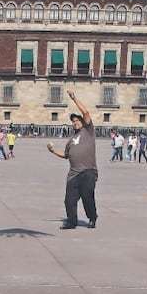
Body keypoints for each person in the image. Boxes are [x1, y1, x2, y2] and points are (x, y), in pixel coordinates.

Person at [46, 91, 98, 230]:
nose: (75, 123)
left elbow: (86, 112)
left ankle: (92, 217)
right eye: (73, 122)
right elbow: (66, 154)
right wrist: (53, 151)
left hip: (88, 171)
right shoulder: (70, 140)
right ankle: (71, 221)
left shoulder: (88, 131)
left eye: (77, 121)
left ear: (82, 122)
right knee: (69, 199)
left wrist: (74, 98)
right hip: (73, 174)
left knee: (87, 197)